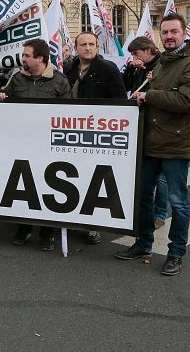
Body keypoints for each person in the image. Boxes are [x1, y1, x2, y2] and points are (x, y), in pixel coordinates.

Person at [115, 13, 190, 276]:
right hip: (151, 142)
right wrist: (143, 98)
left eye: (174, 32)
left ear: (184, 33)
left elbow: (188, 102)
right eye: (164, 32)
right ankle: (143, 244)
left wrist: (149, 96)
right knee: (143, 197)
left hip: (176, 143)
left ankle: (176, 253)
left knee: (178, 203)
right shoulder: (164, 63)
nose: (168, 36)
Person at [0, 39, 70, 250]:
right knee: (23, 186)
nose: (23, 58)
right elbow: (7, 103)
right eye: (24, 55)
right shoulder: (17, 78)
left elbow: (69, 113)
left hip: (48, 145)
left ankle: (47, 233)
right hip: (22, 143)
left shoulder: (60, 81)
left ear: (40, 58)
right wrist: (1, 97)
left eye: (27, 55)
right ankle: (24, 227)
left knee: (47, 187)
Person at [65, 31, 126, 244]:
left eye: (92, 44)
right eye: (83, 44)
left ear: (98, 47)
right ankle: (70, 218)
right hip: (69, 132)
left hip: (96, 134)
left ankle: (93, 225)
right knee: (73, 178)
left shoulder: (108, 69)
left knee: (94, 181)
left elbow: (120, 102)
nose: (88, 48)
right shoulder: (68, 69)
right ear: (76, 48)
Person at [122, 37, 169, 230]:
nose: (135, 57)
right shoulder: (139, 67)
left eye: (136, 53)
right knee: (146, 173)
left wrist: (152, 83)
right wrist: (130, 69)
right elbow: (125, 85)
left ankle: (160, 213)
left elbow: (165, 94)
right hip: (141, 122)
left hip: (159, 125)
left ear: (148, 50)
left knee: (161, 176)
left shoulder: (162, 65)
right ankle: (144, 211)